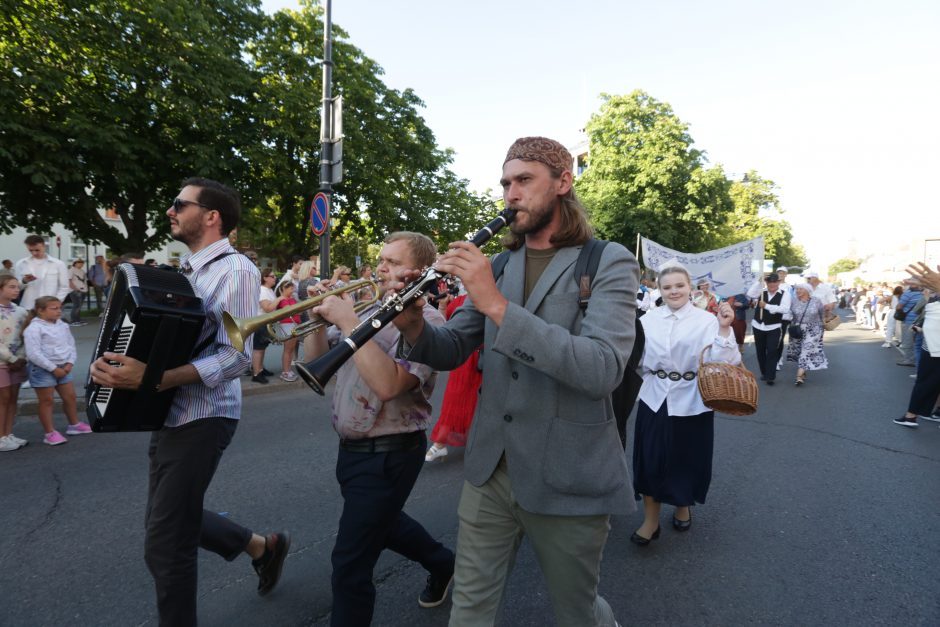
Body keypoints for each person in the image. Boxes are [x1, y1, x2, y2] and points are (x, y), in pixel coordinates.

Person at [395, 136, 636, 626]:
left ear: (563, 183)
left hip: (568, 472)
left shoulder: (607, 260)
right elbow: (452, 348)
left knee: (577, 612)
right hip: (491, 468)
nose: (510, 193)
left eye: (524, 180)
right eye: (506, 182)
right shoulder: (501, 264)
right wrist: (413, 323)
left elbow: (601, 369)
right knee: (469, 611)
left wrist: (497, 304)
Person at [89, 178, 290, 626]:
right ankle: (263, 546)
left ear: (212, 216)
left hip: (204, 416)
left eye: (180, 204)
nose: (170, 211)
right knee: (170, 519)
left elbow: (235, 356)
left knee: (165, 543)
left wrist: (152, 377)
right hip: (171, 410)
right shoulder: (191, 270)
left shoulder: (236, 270)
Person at [307, 231, 456, 627]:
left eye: (392, 261)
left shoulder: (428, 323)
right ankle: (445, 563)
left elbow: (390, 386)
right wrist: (318, 323)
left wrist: (349, 320)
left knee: (349, 564)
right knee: (384, 525)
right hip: (350, 450)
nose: (380, 267)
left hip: (390, 454)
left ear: (419, 271)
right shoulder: (369, 308)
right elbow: (318, 364)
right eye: (381, 259)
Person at [631, 264, 739, 544]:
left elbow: (726, 363)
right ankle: (650, 521)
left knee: (687, 458)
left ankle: (683, 505)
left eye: (679, 285)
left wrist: (725, 329)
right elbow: (637, 360)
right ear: (659, 289)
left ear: (690, 287)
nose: (673, 291)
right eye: (667, 287)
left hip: (693, 399)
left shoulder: (707, 320)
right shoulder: (646, 320)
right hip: (655, 397)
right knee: (650, 459)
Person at [22, 296, 92, 444]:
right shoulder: (34, 328)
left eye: (60, 308)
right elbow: (33, 354)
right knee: (47, 401)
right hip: (42, 369)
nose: (59, 311)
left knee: (70, 397)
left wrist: (69, 363)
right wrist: (53, 369)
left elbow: (71, 345)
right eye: (54, 308)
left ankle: (74, 425)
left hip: (63, 368)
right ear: (41, 311)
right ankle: (49, 433)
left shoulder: (62, 325)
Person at [425, 290, 482, 462]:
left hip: (482, 359)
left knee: (477, 403)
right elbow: (443, 328)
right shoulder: (460, 301)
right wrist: (442, 306)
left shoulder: (484, 296)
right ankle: (440, 443)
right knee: (456, 401)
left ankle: (471, 441)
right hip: (465, 361)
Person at [0, 275, 29, 452]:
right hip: (2, 362)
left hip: (17, 361)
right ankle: (0, 436)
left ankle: (8, 433)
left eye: (17, 287)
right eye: (12, 287)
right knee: (2, 400)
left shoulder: (21, 311)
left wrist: (21, 358)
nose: (17, 290)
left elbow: (26, 335)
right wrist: (11, 359)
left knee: (12, 399)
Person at [748, 272, 791, 385]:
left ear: (778, 282)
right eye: (769, 282)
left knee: (772, 351)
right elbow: (750, 293)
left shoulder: (784, 294)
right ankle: (764, 373)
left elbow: (785, 309)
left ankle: (770, 376)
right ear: (766, 282)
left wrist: (766, 306)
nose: (772, 284)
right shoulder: (761, 292)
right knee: (760, 351)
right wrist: (759, 282)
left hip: (774, 327)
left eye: (774, 282)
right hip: (758, 325)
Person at [786, 283, 828, 385]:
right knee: (800, 351)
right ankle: (804, 370)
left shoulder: (816, 301)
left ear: (807, 290)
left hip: (814, 329)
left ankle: (799, 376)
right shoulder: (793, 301)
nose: (798, 291)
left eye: (800, 289)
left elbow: (822, 314)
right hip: (798, 329)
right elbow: (789, 314)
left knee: (806, 349)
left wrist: (824, 325)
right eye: (797, 289)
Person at [14, 235, 71, 310]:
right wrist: (24, 281)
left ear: (44, 246)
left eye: (37, 250)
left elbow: (64, 287)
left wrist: (56, 303)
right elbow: (16, 287)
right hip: (28, 306)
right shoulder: (21, 263)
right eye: (31, 250)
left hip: (50, 307)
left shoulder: (58, 264)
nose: (34, 253)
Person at [249, 268, 278, 384]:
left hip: (267, 323)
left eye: (275, 276)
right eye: (272, 276)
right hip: (261, 322)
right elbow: (267, 308)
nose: (275, 278)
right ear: (265, 277)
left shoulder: (269, 290)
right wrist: (281, 298)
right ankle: (256, 373)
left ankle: (260, 368)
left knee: (263, 347)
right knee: (258, 349)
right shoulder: (262, 290)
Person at [274, 281, 300, 382]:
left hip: (294, 324)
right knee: (288, 349)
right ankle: (285, 371)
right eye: (290, 288)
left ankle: (288, 370)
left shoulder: (292, 298)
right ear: (284, 289)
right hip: (287, 325)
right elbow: (289, 310)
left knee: (291, 349)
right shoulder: (282, 299)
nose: (292, 290)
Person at [67, 259, 89, 326]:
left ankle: (78, 320)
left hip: (83, 290)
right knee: (76, 305)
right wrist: (75, 289)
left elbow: (85, 281)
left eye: (82, 262)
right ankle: (73, 321)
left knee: (79, 306)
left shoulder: (82, 271)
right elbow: (69, 281)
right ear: (75, 263)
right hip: (75, 290)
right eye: (79, 262)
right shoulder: (71, 270)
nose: (81, 264)